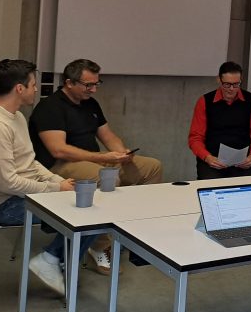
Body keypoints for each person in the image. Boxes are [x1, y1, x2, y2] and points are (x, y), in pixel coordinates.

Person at [29, 59, 162, 274]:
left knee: (152, 167)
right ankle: (99, 245)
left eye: (96, 84)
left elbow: (108, 136)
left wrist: (122, 153)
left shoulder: (90, 104)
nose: (93, 89)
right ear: (69, 83)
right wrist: (102, 158)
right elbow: (58, 150)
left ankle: (132, 233)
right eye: (88, 85)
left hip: (93, 159)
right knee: (106, 178)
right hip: (59, 167)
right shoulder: (50, 107)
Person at [0, 60, 85, 296]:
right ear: (19, 89)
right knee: (84, 212)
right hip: (3, 205)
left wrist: (58, 182)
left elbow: (30, 163)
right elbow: (8, 183)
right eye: (33, 84)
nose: (36, 89)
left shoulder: (16, 116)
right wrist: (55, 189)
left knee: (86, 203)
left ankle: (55, 260)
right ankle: (53, 259)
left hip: (22, 194)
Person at [188, 61, 251, 180]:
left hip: (242, 162)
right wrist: (207, 158)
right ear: (219, 80)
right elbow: (195, 138)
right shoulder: (205, 101)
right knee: (212, 186)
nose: (231, 89)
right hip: (213, 161)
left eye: (236, 84)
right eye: (227, 84)